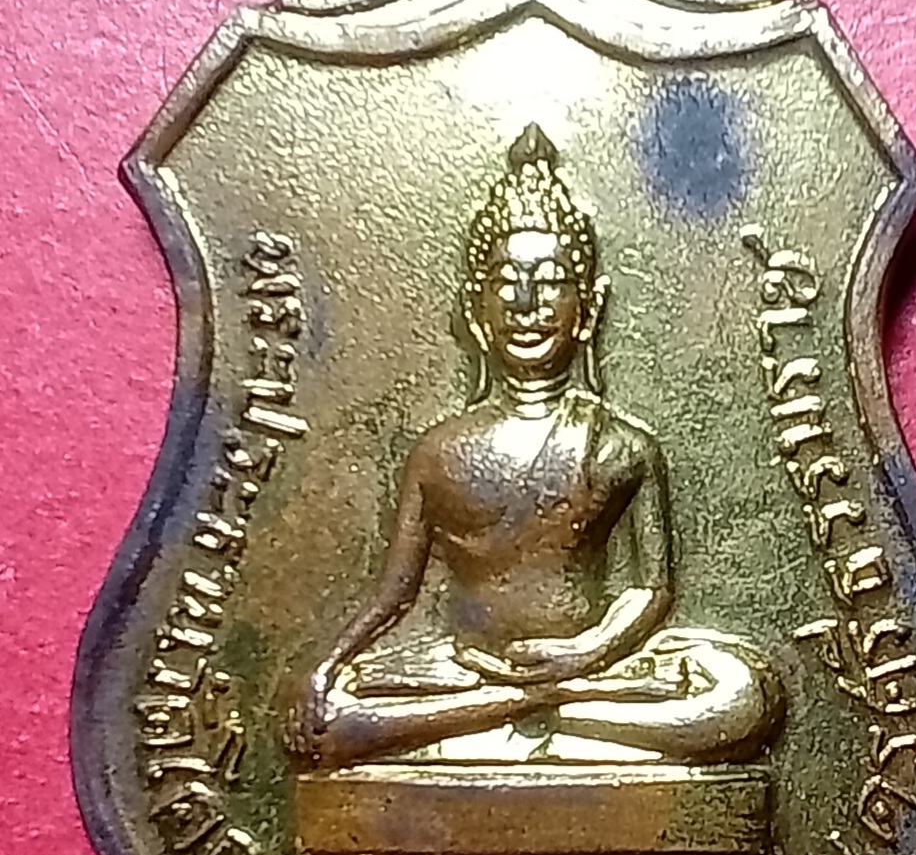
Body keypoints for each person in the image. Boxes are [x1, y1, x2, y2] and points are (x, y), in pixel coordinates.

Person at [288, 124, 783, 769]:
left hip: (598, 669)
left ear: (588, 310)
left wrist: (586, 652)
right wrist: (328, 664)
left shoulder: (622, 447)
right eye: (506, 283)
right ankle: (529, 710)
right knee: (324, 716)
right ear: (476, 310)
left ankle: (529, 709)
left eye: (549, 282)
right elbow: (395, 596)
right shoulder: (439, 451)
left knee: (742, 696)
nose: (526, 303)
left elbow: (650, 591)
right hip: (467, 671)